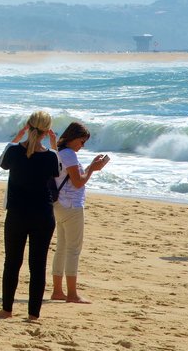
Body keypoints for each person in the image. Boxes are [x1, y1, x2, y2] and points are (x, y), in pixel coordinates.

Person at [0, 111, 60, 320]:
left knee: (12, 263)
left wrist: (17, 136)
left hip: (17, 213)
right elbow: (57, 172)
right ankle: (33, 314)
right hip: (43, 214)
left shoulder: (14, 152)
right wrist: (54, 144)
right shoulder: (50, 156)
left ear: (27, 126)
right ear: (47, 130)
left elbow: (2, 162)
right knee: (38, 266)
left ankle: (7, 310)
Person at [49, 122, 110, 304]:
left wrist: (91, 167)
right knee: (73, 250)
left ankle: (58, 291)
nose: (82, 146)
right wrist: (92, 168)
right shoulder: (69, 154)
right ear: (74, 138)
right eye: (81, 142)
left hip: (59, 204)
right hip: (71, 205)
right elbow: (77, 182)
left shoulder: (58, 151)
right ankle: (72, 293)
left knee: (61, 248)